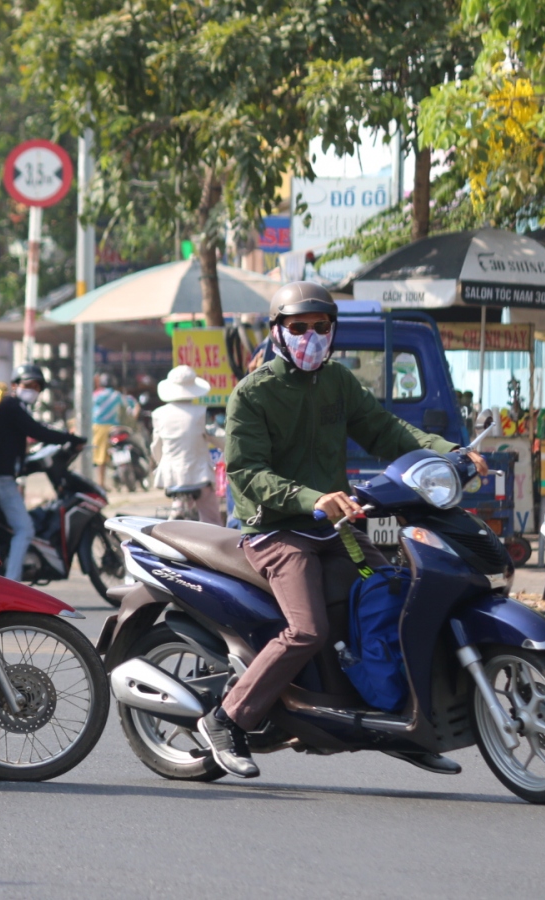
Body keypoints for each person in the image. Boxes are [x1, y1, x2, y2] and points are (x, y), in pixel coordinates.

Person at [209, 281, 488, 780]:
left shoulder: (338, 383)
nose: (311, 337)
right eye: (299, 328)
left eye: (321, 327)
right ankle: (227, 718)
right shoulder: (253, 394)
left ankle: (396, 726)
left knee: (398, 599)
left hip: (338, 526)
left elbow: (388, 431)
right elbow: (248, 473)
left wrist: (450, 452)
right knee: (308, 629)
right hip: (276, 532)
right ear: (277, 332)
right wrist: (312, 498)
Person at [0, 364, 85, 582]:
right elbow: (37, 431)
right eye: (28, 385)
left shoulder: (13, 407)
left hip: (1, 478)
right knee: (25, 529)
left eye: (37, 387)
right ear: (15, 385)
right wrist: (70, 438)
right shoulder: (11, 406)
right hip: (0, 480)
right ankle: (12, 582)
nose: (33, 390)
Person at [149, 365, 225, 525]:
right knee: (212, 521)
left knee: (175, 517)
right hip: (199, 476)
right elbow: (220, 439)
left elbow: (156, 447)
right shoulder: (202, 412)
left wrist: (159, 464)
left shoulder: (159, 414)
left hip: (171, 478)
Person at [91, 373, 138, 487]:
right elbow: (132, 404)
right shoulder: (117, 395)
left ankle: (101, 483)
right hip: (115, 428)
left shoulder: (96, 395)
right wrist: (134, 416)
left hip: (98, 427)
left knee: (101, 456)